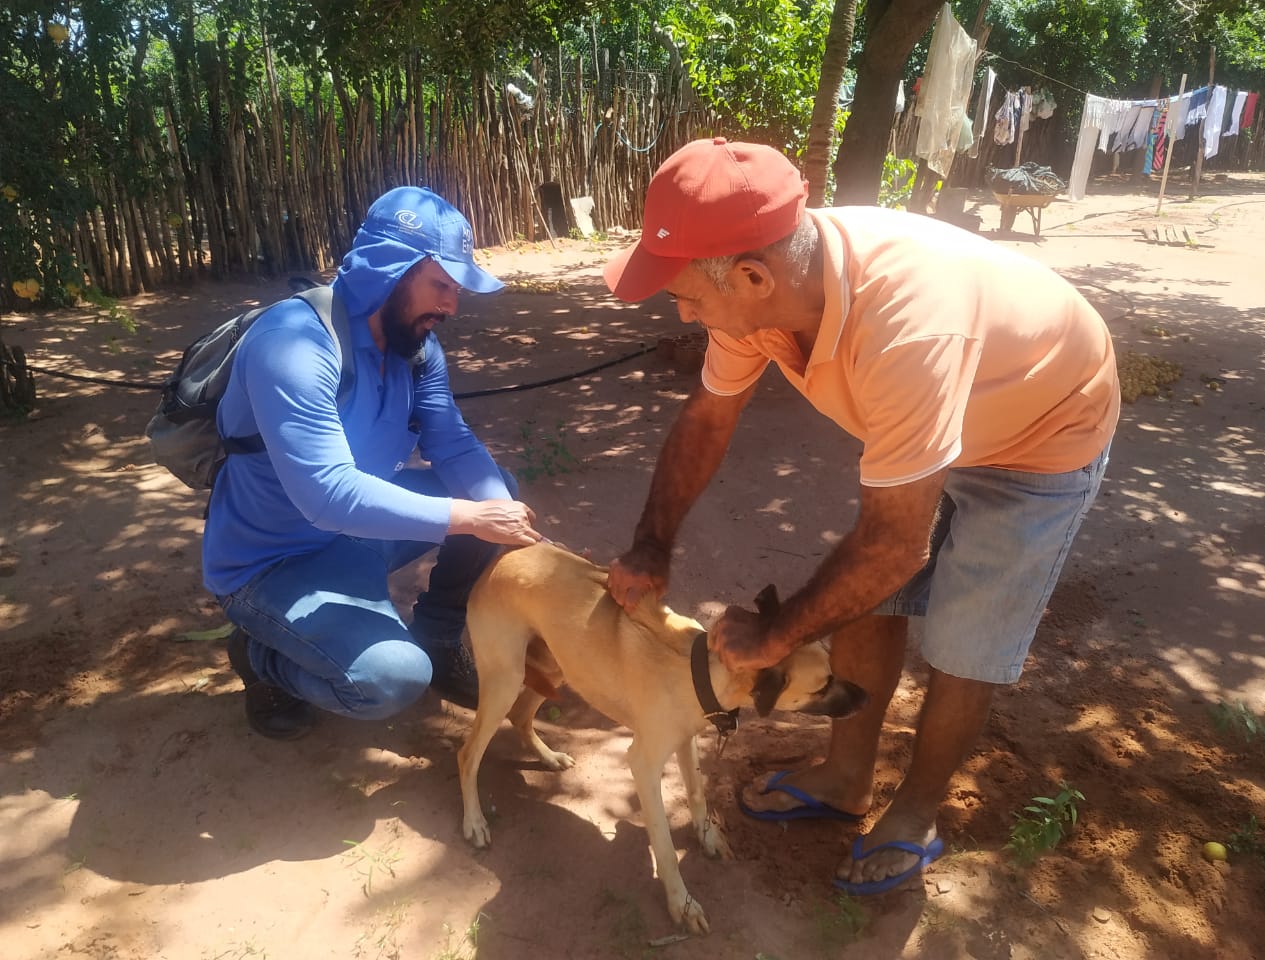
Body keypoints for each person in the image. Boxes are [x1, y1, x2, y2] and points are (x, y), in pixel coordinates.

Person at [603, 138, 1118, 895]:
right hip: (941, 414)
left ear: (751, 277)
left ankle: (914, 812)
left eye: (687, 296)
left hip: (1040, 433)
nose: (681, 313)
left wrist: (775, 636)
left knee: (965, 637)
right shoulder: (764, 293)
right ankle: (846, 776)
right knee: (864, 606)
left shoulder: (909, 326)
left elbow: (893, 545)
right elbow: (710, 417)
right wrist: (652, 544)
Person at [204, 186, 544, 741]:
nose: (453, 306)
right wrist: (473, 518)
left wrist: (508, 521)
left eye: (457, 289)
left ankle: (437, 630)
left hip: (356, 534)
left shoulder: (417, 349)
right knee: (390, 680)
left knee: (494, 491)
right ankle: (257, 656)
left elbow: (453, 445)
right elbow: (327, 494)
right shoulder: (291, 343)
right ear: (389, 270)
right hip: (271, 563)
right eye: (441, 285)